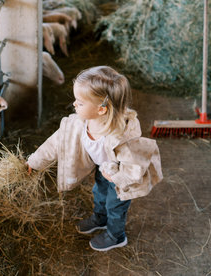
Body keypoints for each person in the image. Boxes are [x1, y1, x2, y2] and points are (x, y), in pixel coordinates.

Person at [26, 66, 163, 251]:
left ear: (101, 109)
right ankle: (100, 218)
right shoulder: (79, 124)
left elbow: (135, 166)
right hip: (103, 169)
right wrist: (35, 162)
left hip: (119, 176)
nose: (74, 105)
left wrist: (116, 178)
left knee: (115, 206)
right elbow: (56, 142)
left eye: (80, 103)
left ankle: (116, 235)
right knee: (99, 194)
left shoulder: (122, 135)